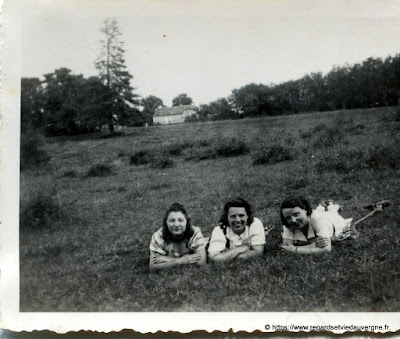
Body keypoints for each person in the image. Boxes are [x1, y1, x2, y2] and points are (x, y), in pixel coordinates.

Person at [280, 196, 358, 255]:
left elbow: (326, 249)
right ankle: (323, 206)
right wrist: (314, 245)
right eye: (288, 217)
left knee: (332, 214)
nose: (293, 220)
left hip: (333, 222)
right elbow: (286, 246)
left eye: (296, 214)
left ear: (305, 210)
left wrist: (295, 250)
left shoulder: (319, 219)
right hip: (316, 219)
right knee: (319, 214)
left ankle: (332, 206)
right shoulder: (288, 222)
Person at [149, 202, 207, 271]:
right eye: (172, 221)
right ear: (166, 222)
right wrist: (180, 261)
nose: (176, 224)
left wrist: (167, 260)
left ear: (187, 222)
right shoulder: (158, 236)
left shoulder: (195, 232)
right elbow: (152, 267)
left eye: (180, 220)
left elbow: (201, 263)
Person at [208, 197, 265, 262]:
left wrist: (227, 255)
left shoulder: (254, 223)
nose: (237, 220)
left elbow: (259, 252)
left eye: (241, 216)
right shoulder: (220, 229)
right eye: (233, 216)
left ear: (247, 216)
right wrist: (240, 249)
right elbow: (213, 258)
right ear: (227, 217)